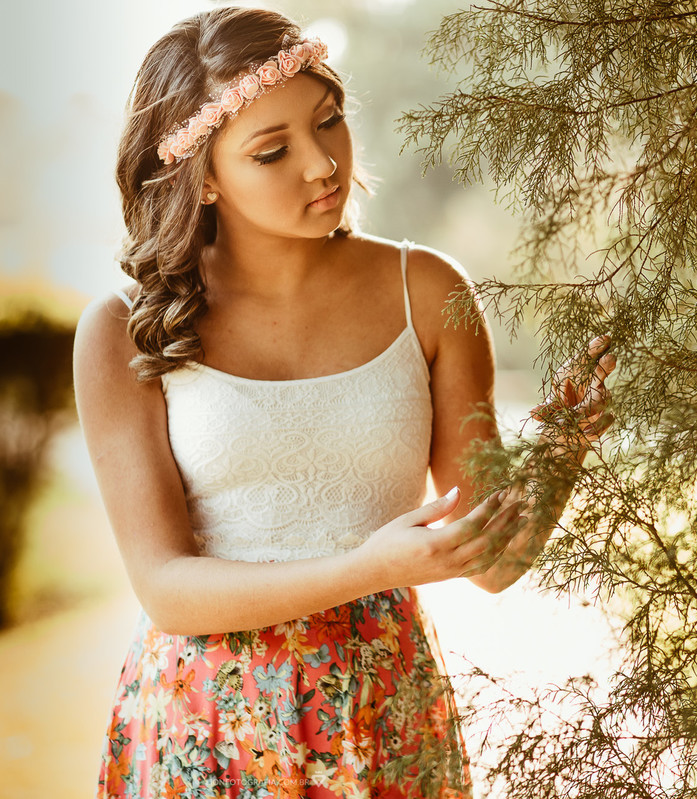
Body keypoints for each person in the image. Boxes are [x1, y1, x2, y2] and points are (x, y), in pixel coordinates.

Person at [73, 7, 616, 798]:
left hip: (382, 706)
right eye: (273, 150)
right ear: (207, 176)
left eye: (329, 123)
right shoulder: (123, 330)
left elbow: (494, 560)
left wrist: (566, 442)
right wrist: (366, 567)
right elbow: (165, 587)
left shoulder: (427, 292)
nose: (323, 165)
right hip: (208, 726)